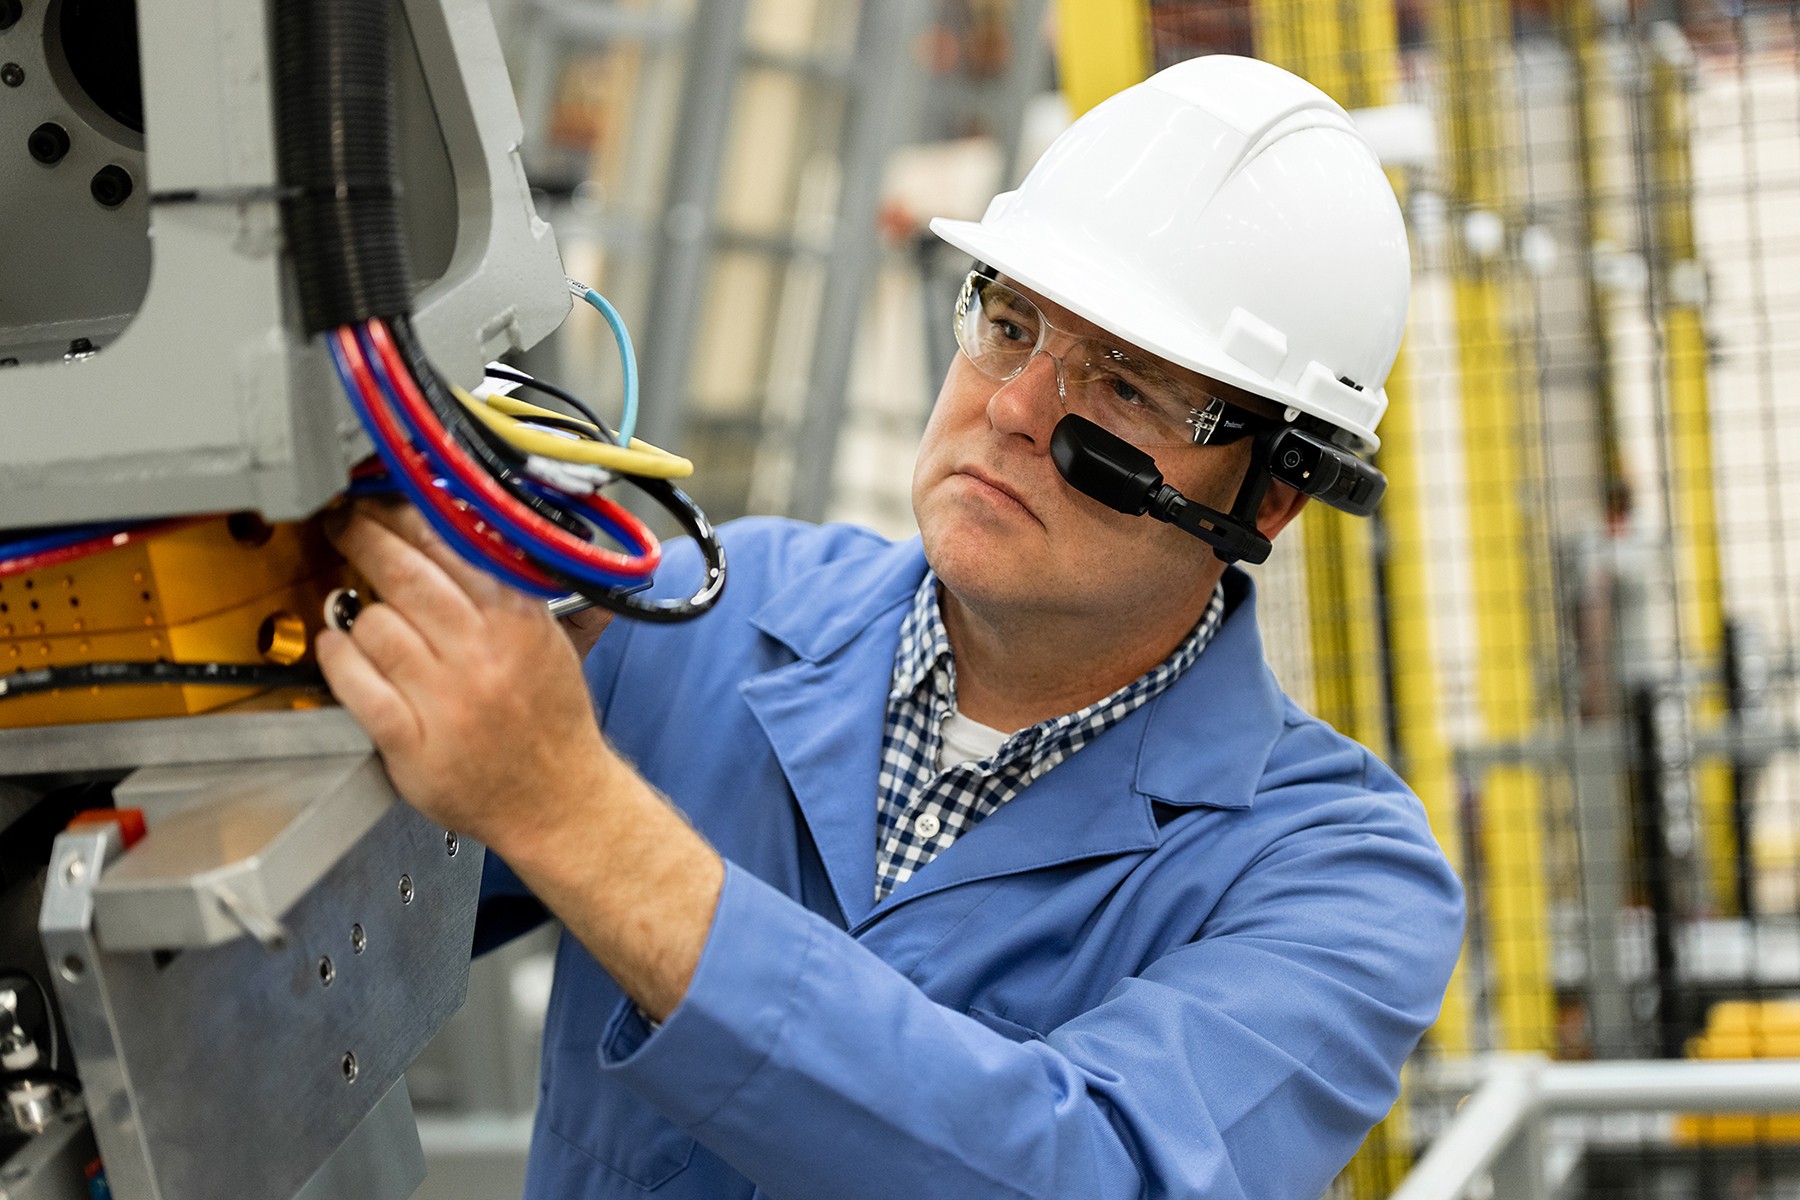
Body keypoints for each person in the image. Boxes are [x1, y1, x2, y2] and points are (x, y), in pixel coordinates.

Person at [318, 55, 1463, 1200]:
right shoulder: (705, 615)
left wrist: (572, 807)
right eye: (1010, 324)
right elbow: (336, 938)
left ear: (1270, 493)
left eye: (1125, 386)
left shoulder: (1339, 880)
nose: (1013, 408)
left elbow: (1096, 1173)